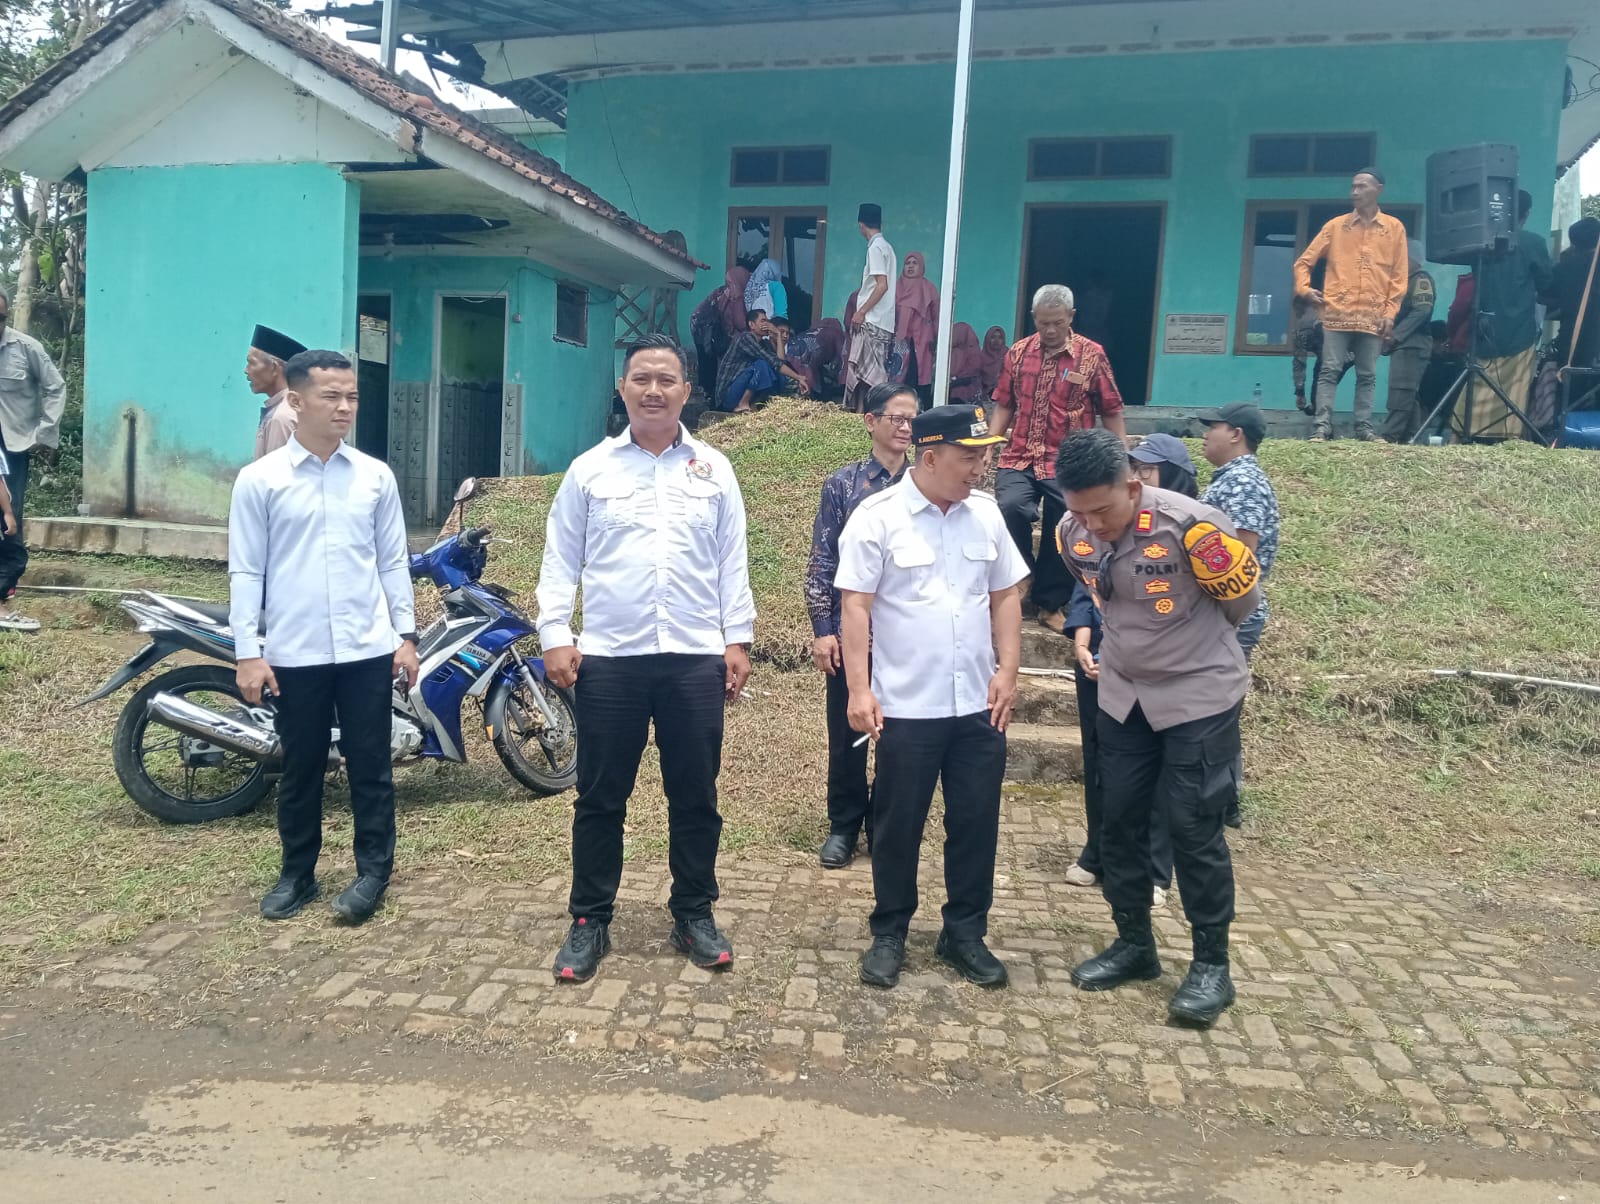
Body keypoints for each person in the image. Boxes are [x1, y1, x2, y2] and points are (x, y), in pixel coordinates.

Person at [536, 333, 756, 983]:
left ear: (686, 391)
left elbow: (732, 559)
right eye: (641, 378)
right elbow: (560, 558)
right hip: (611, 659)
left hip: (693, 657)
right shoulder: (591, 470)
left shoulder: (714, 470)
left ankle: (694, 912)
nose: (653, 390)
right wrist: (555, 633)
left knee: (696, 795)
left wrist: (737, 639)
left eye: (666, 379)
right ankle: (589, 919)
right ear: (622, 388)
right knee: (600, 796)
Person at [1056, 428, 1263, 1027]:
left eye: (1102, 510)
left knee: (1193, 826)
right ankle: (1134, 944)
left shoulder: (1195, 529)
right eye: (1079, 512)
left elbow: (1241, 604)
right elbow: (1096, 591)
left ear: (1133, 485)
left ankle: (1211, 966)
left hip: (1198, 695)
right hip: (1124, 697)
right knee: (1117, 821)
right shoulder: (1073, 532)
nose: (1092, 525)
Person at [836, 404, 1027, 990]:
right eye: (970, 457)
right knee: (898, 825)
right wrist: (859, 689)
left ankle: (964, 933)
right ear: (930, 457)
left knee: (976, 822)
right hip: (907, 708)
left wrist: (1009, 670)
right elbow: (856, 606)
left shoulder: (986, 514)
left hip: (978, 706)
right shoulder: (878, 517)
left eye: (984, 456)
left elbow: (1005, 595)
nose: (980, 467)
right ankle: (890, 931)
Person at [228, 350, 418, 925]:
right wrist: (248, 653)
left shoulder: (374, 477)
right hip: (296, 650)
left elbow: (393, 562)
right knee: (301, 766)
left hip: (366, 647)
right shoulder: (260, 480)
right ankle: (297, 874)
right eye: (331, 396)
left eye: (351, 396)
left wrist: (405, 636)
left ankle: (373, 872)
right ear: (296, 400)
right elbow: (246, 570)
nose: (344, 407)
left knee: (370, 765)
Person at [1062, 433, 1196, 904]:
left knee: (1157, 772)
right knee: (1104, 763)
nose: (1139, 477)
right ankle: (1098, 851)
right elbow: (1086, 585)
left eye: (1148, 470)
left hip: (1166, 672)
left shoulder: (1187, 530)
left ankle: (1156, 869)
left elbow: (1229, 605)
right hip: (1102, 660)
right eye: (1135, 466)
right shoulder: (1087, 528)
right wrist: (1083, 641)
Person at [803, 382, 916, 868]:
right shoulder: (843, 485)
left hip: (907, 639)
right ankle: (844, 824)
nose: (906, 428)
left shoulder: (924, 486)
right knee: (847, 734)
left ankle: (885, 824)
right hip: (852, 637)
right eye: (897, 418)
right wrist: (823, 629)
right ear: (871, 422)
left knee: (901, 738)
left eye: (912, 420)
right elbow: (822, 561)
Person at [990, 283, 1126, 634]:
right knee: (1010, 507)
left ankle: (1050, 602)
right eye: (1043, 323)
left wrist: (1122, 457)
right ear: (1033, 318)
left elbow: (1111, 409)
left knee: (1065, 518)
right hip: (1020, 455)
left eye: (1058, 323)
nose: (1050, 330)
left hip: (1068, 460)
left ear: (1071, 317)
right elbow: (1004, 403)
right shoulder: (1018, 353)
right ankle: (1021, 576)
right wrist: (990, 443)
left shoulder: (1091, 356)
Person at [1195, 402, 1280, 829]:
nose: (1205, 434)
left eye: (1213, 426)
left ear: (1236, 434)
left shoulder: (1243, 482)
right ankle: (1220, 797)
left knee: (1216, 709)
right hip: (1222, 614)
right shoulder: (1231, 478)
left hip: (1230, 616)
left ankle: (1221, 800)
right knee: (1216, 707)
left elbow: (1239, 555)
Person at [1294, 168, 1408, 442]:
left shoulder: (1394, 228)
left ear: (1378, 189)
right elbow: (1304, 262)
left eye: (1362, 186)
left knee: (1367, 375)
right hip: (1337, 313)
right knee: (1329, 370)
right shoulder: (1335, 226)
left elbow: (1399, 276)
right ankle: (1321, 427)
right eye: (1353, 187)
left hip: (1373, 315)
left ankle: (1364, 429)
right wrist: (1305, 289)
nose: (1355, 192)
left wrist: (1390, 313)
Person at [1458, 190, 1553, 441]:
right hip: (1519, 329)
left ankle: (1458, 434)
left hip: (1483, 327)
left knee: (1477, 382)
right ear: (1526, 213)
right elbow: (1547, 284)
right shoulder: (1533, 243)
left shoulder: (1482, 241)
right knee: (1514, 389)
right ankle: (1509, 438)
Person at [0, 284, 67, 633]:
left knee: (7, 517)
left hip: (12, 444)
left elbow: (55, 387)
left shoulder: (26, 348)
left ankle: (2, 592)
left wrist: (44, 432)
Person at [1379, 242, 1438, 443]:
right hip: (1405, 343)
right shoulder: (1405, 281)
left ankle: (1389, 435)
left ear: (1411, 259)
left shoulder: (1420, 280)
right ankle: (1411, 437)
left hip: (1413, 343)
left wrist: (1396, 335)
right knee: (1407, 393)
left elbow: (1422, 310)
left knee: (1401, 390)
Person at [844, 204, 897, 413]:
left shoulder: (875, 248)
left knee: (865, 374)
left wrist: (861, 311)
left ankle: (864, 413)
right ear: (881, 223)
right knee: (868, 374)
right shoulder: (887, 248)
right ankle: (861, 413)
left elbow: (881, 285)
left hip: (872, 320)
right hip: (883, 321)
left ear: (861, 225)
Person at [714, 310, 805, 413]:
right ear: (751, 325)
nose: (767, 324)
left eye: (767, 321)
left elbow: (779, 363)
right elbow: (772, 361)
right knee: (762, 364)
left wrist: (778, 335)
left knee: (777, 373)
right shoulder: (745, 338)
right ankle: (743, 404)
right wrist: (798, 377)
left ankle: (757, 404)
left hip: (739, 391)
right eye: (763, 321)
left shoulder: (762, 344)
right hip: (727, 396)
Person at [247, 324, 309, 460]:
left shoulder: (281, 418)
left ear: (274, 368)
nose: (246, 370)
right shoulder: (298, 407)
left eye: (251, 363)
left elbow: (275, 472)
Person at [1545, 217, 1600, 370]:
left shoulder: (1563, 268)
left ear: (1574, 243)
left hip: (1572, 342)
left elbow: (1544, 298)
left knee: (1570, 382)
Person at [689, 266, 751, 394]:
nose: (729, 285)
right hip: (704, 329)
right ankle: (709, 393)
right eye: (728, 282)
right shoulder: (732, 296)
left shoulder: (730, 293)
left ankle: (708, 392)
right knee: (708, 360)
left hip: (705, 328)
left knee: (709, 360)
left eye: (731, 282)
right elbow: (739, 324)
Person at [891, 251, 940, 406]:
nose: (911, 266)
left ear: (922, 267)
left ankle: (920, 410)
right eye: (907, 263)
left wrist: (937, 339)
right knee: (899, 375)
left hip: (923, 340)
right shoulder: (895, 287)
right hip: (899, 340)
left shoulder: (929, 288)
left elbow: (937, 316)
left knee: (920, 375)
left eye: (915, 263)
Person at [785, 317, 848, 399]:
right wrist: (841, 380)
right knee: (807, 383)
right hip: (806, 357)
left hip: (792, 350)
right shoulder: (837, 335)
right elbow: (841, 359)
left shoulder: (812, 331)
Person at [947, 323, 987, 406]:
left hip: (966, 392)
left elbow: (974, 369)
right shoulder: (949, 350)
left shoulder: (973, 352)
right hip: (955, 392)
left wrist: (955, 381)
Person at [979, 326, 1008, 399]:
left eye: (1000, 338)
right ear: (987, 339)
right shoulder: (979, 358)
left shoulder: (1008, 356)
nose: (996, 340)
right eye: (993, 337)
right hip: (984, 399)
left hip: (1004, 398)